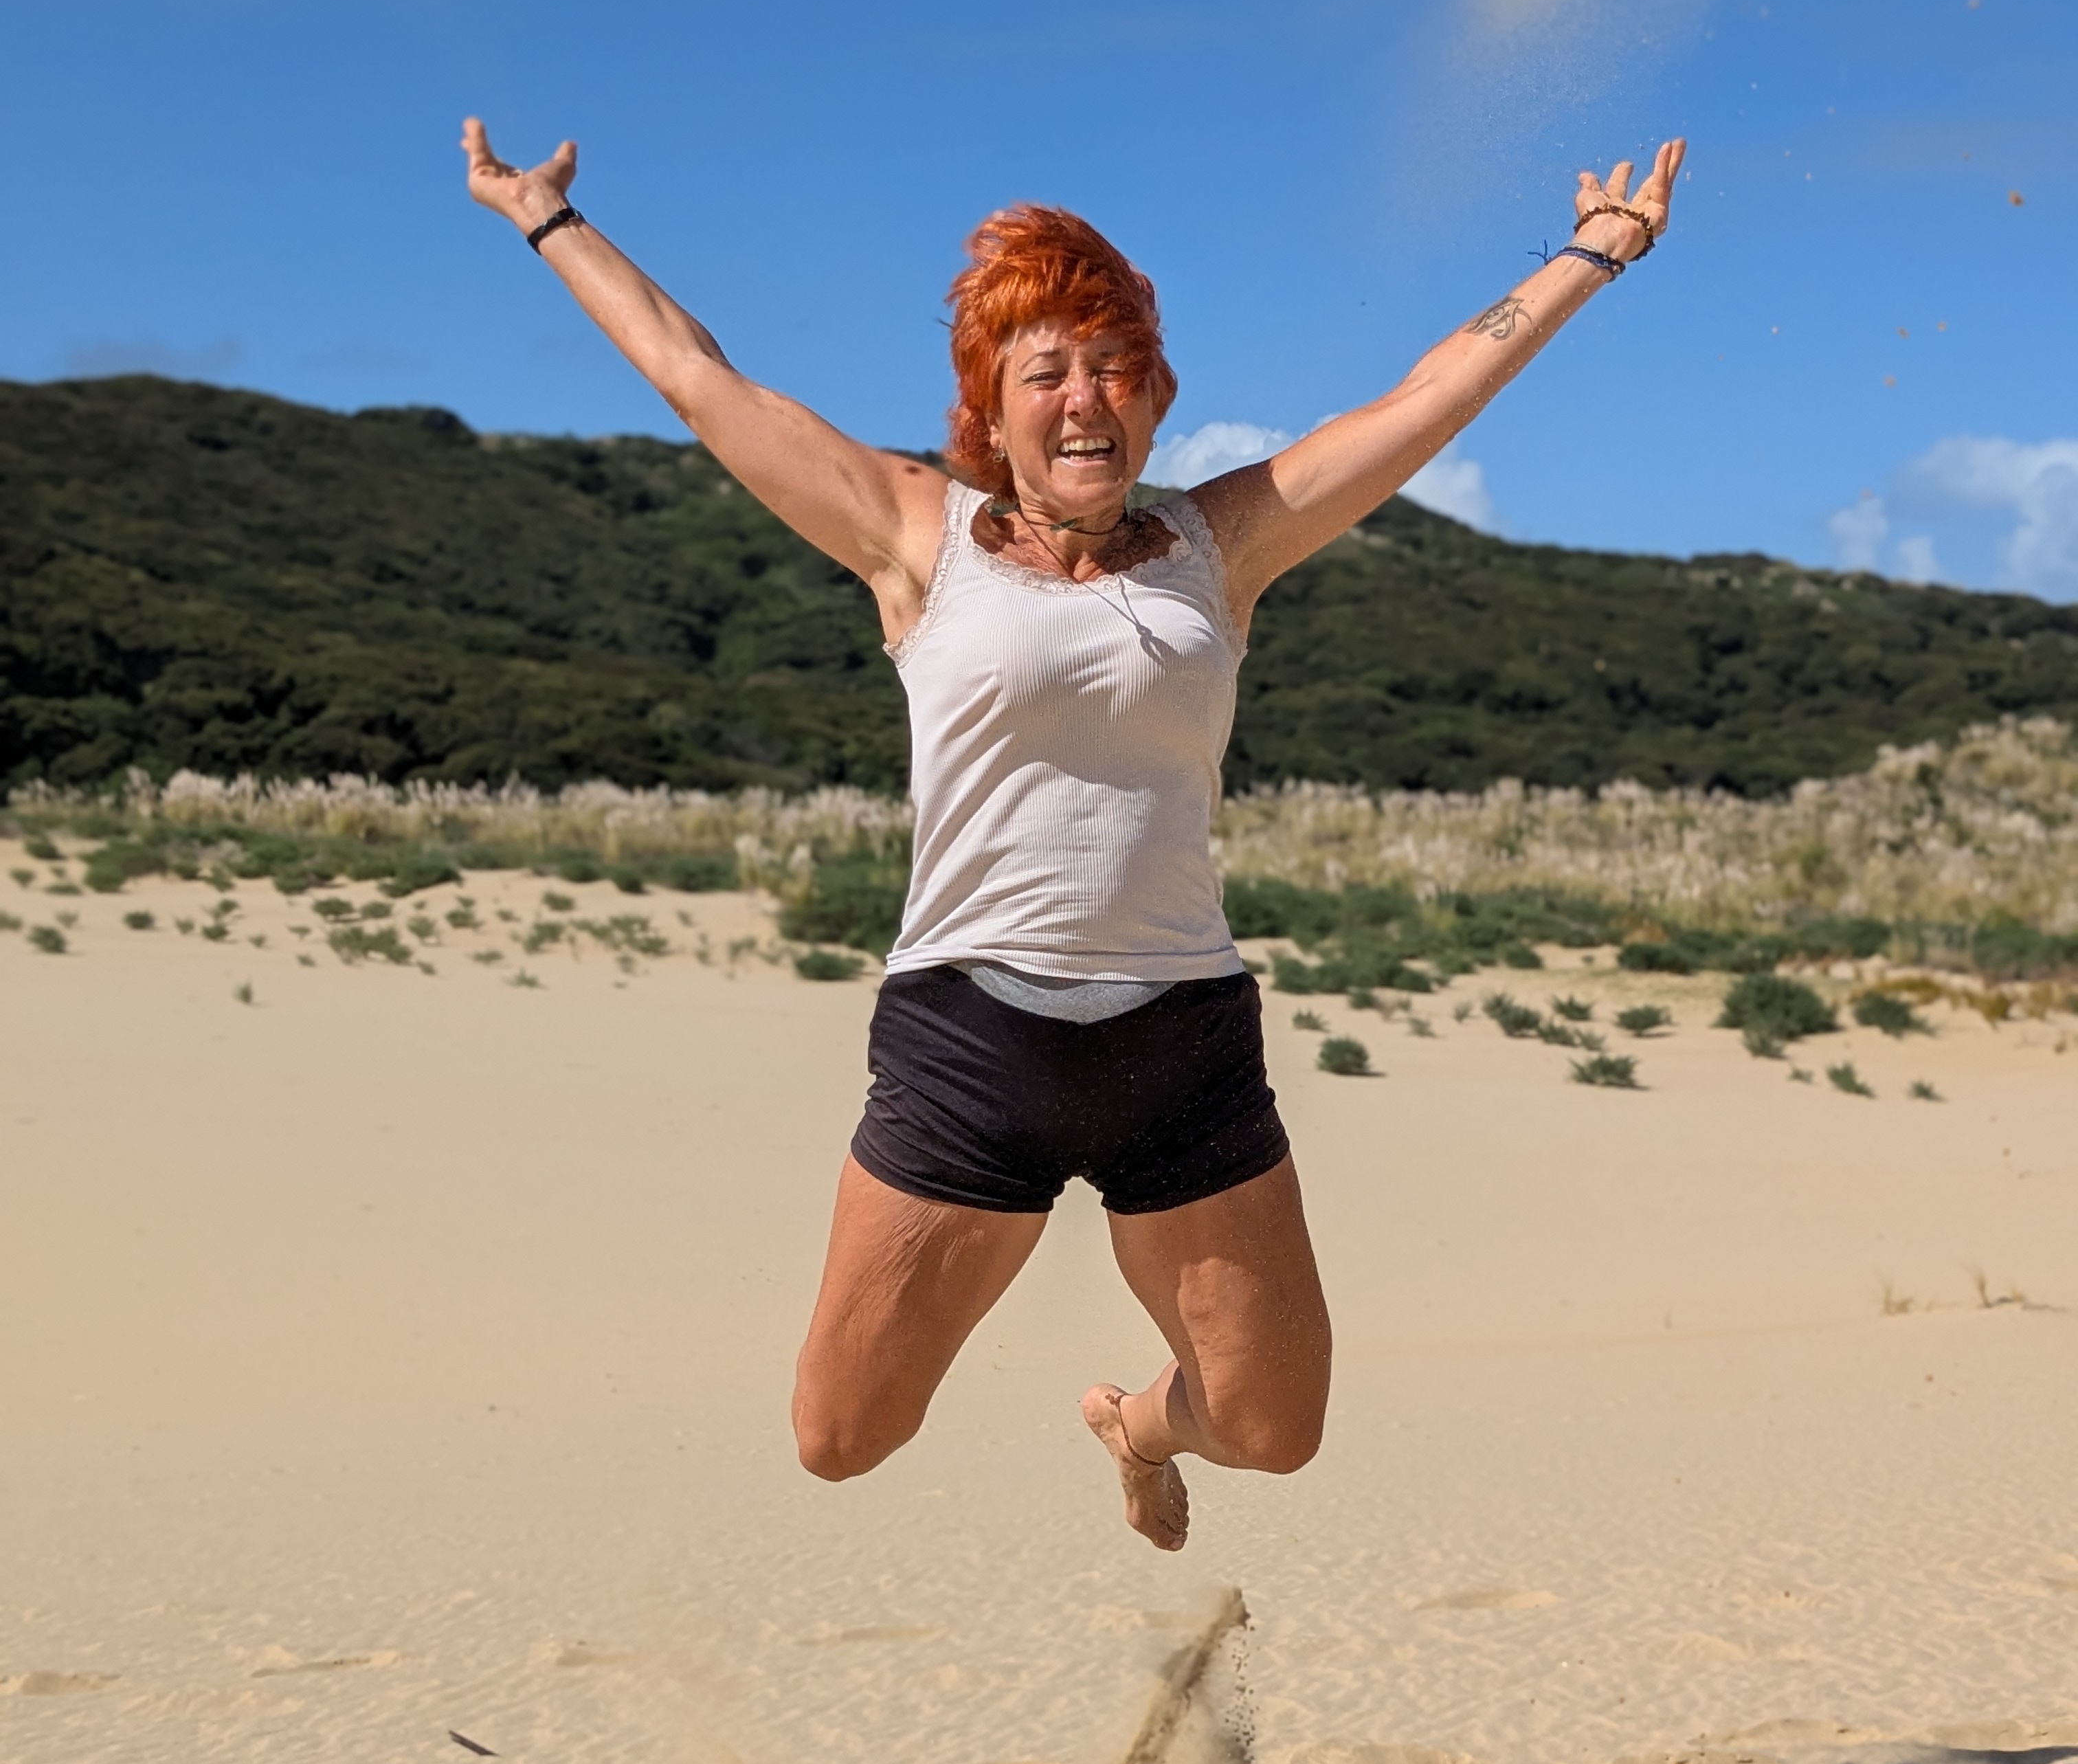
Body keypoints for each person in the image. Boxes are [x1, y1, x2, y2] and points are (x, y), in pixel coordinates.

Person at [462, 120, 1686, 1550]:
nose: (1085, 396)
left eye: (1114, 366)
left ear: (1156, 396)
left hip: (1180, 1044)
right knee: (838, 1437)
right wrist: (551, 221)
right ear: (993, 400)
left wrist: (1599, 251)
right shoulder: (917, 531)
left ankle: (1135, 1428)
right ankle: (1083, 1407)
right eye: (1046, 369)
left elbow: (1431, 396)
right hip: (972, 1043)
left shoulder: (1225, 541)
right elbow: (697, 376)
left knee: (1274, 1431)